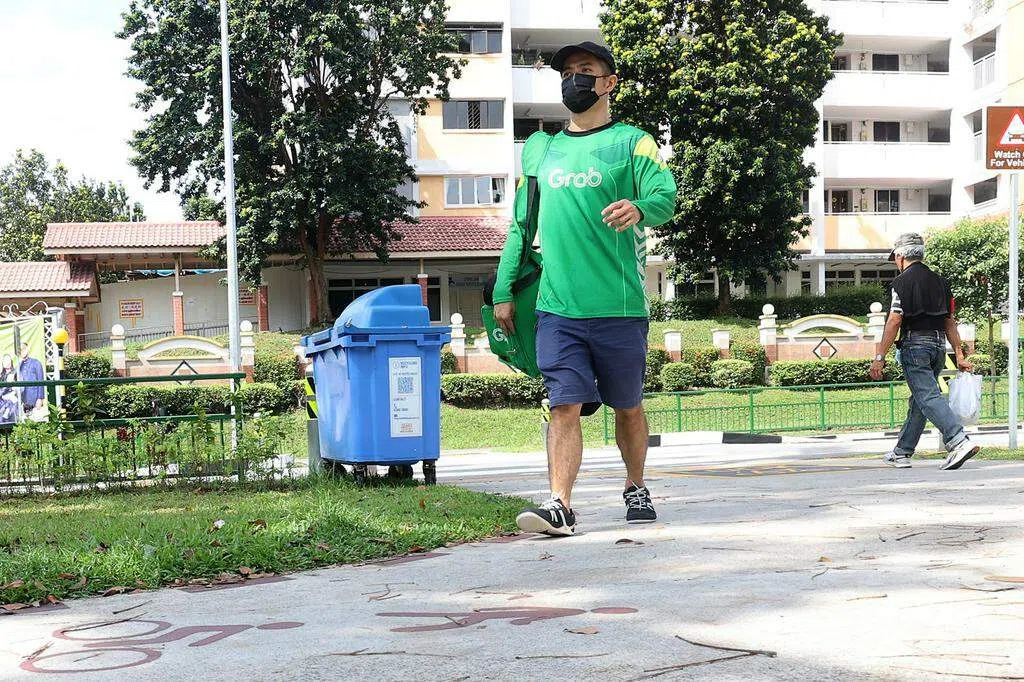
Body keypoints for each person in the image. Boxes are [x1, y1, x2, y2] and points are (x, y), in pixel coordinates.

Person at [493, 41, 678, 536]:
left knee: (628, 406)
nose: (573, 78)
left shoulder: (633, 142)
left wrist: (640, 207)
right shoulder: (541, 148)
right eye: (567, 71)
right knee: (563, 404)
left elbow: (665, 196)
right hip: (558, 307)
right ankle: (560, 505)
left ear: (609, 82)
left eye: (585, 69)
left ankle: (635, 485)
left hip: (620, 306)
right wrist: (502, 289)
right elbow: (521, 224)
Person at [869, 232, 980, 470]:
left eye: (895, 258)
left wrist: (879, 357)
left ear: (900, 256)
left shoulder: (900, 284)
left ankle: (958, 440)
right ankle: (902, 451)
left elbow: (894, 320)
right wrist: (959, 355)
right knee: (920, 399)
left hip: (915, 346)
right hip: (938, 346)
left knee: (928, 396)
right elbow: (950, 321)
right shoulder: (942, 282)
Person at [17, 343, 45, 418]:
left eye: (24, 349)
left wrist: (40, 398)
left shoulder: (36, 363)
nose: (22, 351)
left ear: (28, 349)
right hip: (22, 401)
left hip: (34, 400)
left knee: (36, 421)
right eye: (20, 350)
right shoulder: (18, 365)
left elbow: (41, 381)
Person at [0, 354, 19, 425]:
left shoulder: (16, 373)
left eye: (8, 360)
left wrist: (14, 392)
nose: (7, 362)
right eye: (5, 360)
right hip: (2, 400)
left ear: (11, 362)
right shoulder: (2, 375)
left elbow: (21, 388)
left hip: (11, 402)